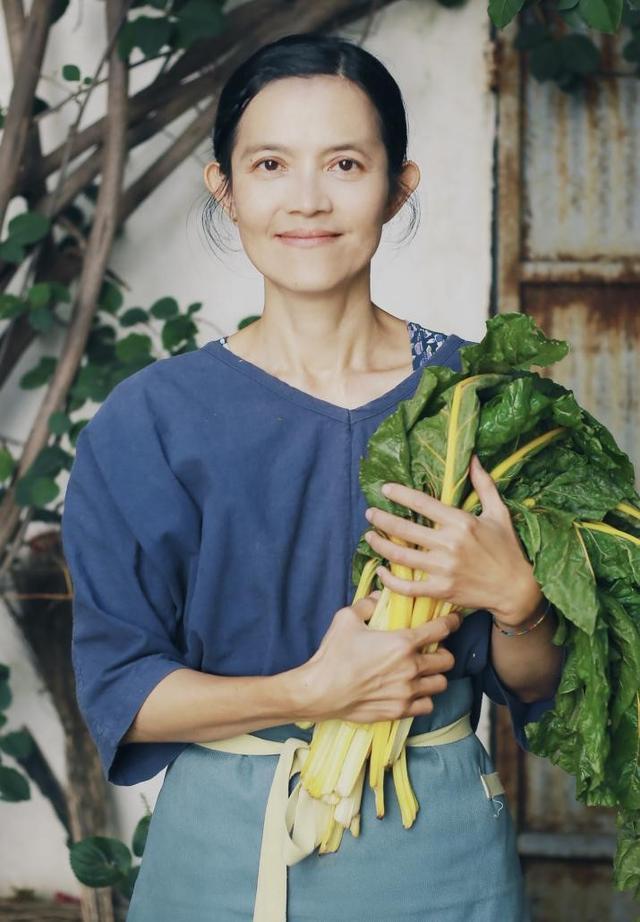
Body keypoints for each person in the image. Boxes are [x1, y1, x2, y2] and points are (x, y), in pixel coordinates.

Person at [61, 32, 565, 922]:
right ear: (224, 187)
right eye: (268, 164)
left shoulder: (482, 403)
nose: (307, 201)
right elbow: (124, 692)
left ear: (398, 183)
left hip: (439, 857)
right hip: (218, 858)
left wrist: (519, 600)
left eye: (343, 163)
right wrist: (310, 692)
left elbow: (536, 685)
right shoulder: (147, 423)